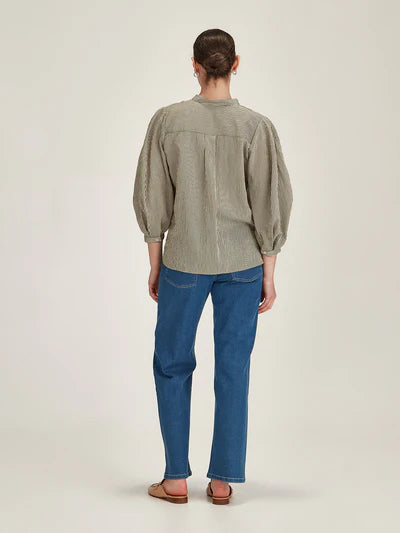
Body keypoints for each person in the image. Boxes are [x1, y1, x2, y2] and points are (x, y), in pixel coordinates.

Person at [132, 28, 293, 505]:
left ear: (195, 66)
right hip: (243, 264)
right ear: (236, 64)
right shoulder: (256, 127)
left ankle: (175, 479)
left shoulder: (168, 121)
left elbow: (153, 197)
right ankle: (222, 482)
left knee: (172, 364)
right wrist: (269, 272)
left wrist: (155, 263)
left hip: (184, 261)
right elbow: (270, 203)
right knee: (233, 368)